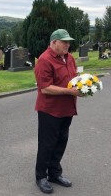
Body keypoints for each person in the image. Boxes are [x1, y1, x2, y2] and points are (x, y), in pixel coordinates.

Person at [34, 29, 82, 194]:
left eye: (69, 42)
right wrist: (70, 92)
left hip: (66, 109)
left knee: (61, 142)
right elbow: (45, 88)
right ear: (54, 42)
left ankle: (54, 173)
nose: (68, 45)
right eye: (64, 42)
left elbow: (73, 79)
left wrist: (82, 88)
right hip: (50, 110)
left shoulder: (69, 58)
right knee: (47, 144)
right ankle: (41, 176)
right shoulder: (44, 60)